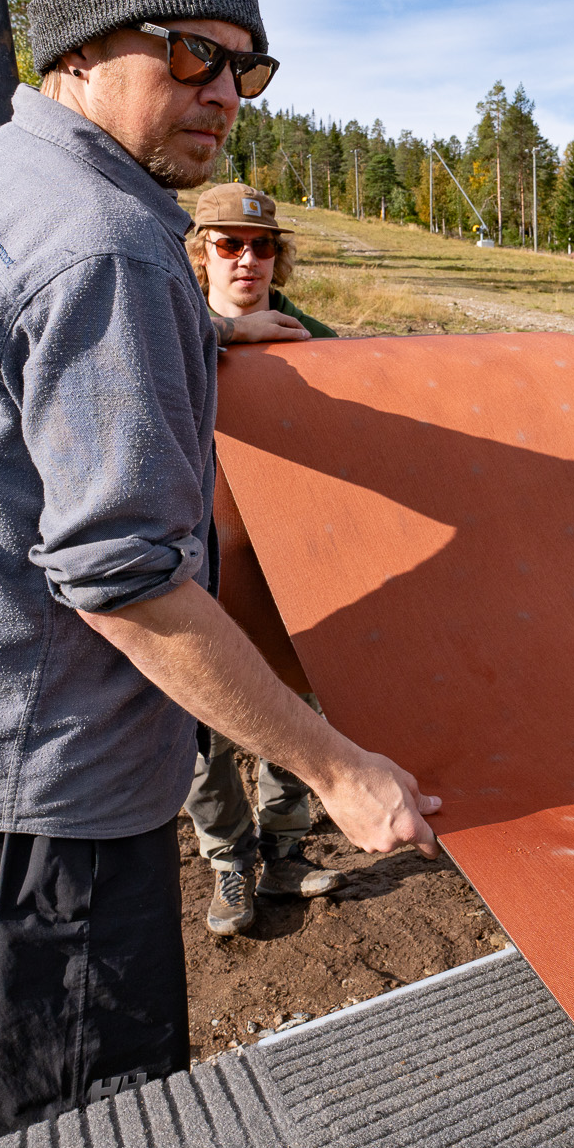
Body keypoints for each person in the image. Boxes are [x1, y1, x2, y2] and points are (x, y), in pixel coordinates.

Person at [0, 0, 438, 1147]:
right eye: (191, 55)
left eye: (247, 67)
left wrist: (201, 336)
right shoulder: (107, 248)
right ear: (80, 45)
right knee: (99, 1130)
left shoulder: (4, 184)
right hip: (44, 803)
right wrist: (335, 768)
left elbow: (25, 377)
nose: (224, 93)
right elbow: (124, 583)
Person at [180, 181, 342, 935]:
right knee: (200, 717)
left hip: (290, 559)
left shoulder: (315, 344)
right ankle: (228, 863)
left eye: (264, 245)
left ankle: (283, 845)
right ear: (200, 250)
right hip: (194, 563)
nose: (248, 259)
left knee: (294, 695)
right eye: (229, 243)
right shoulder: (171, 335)